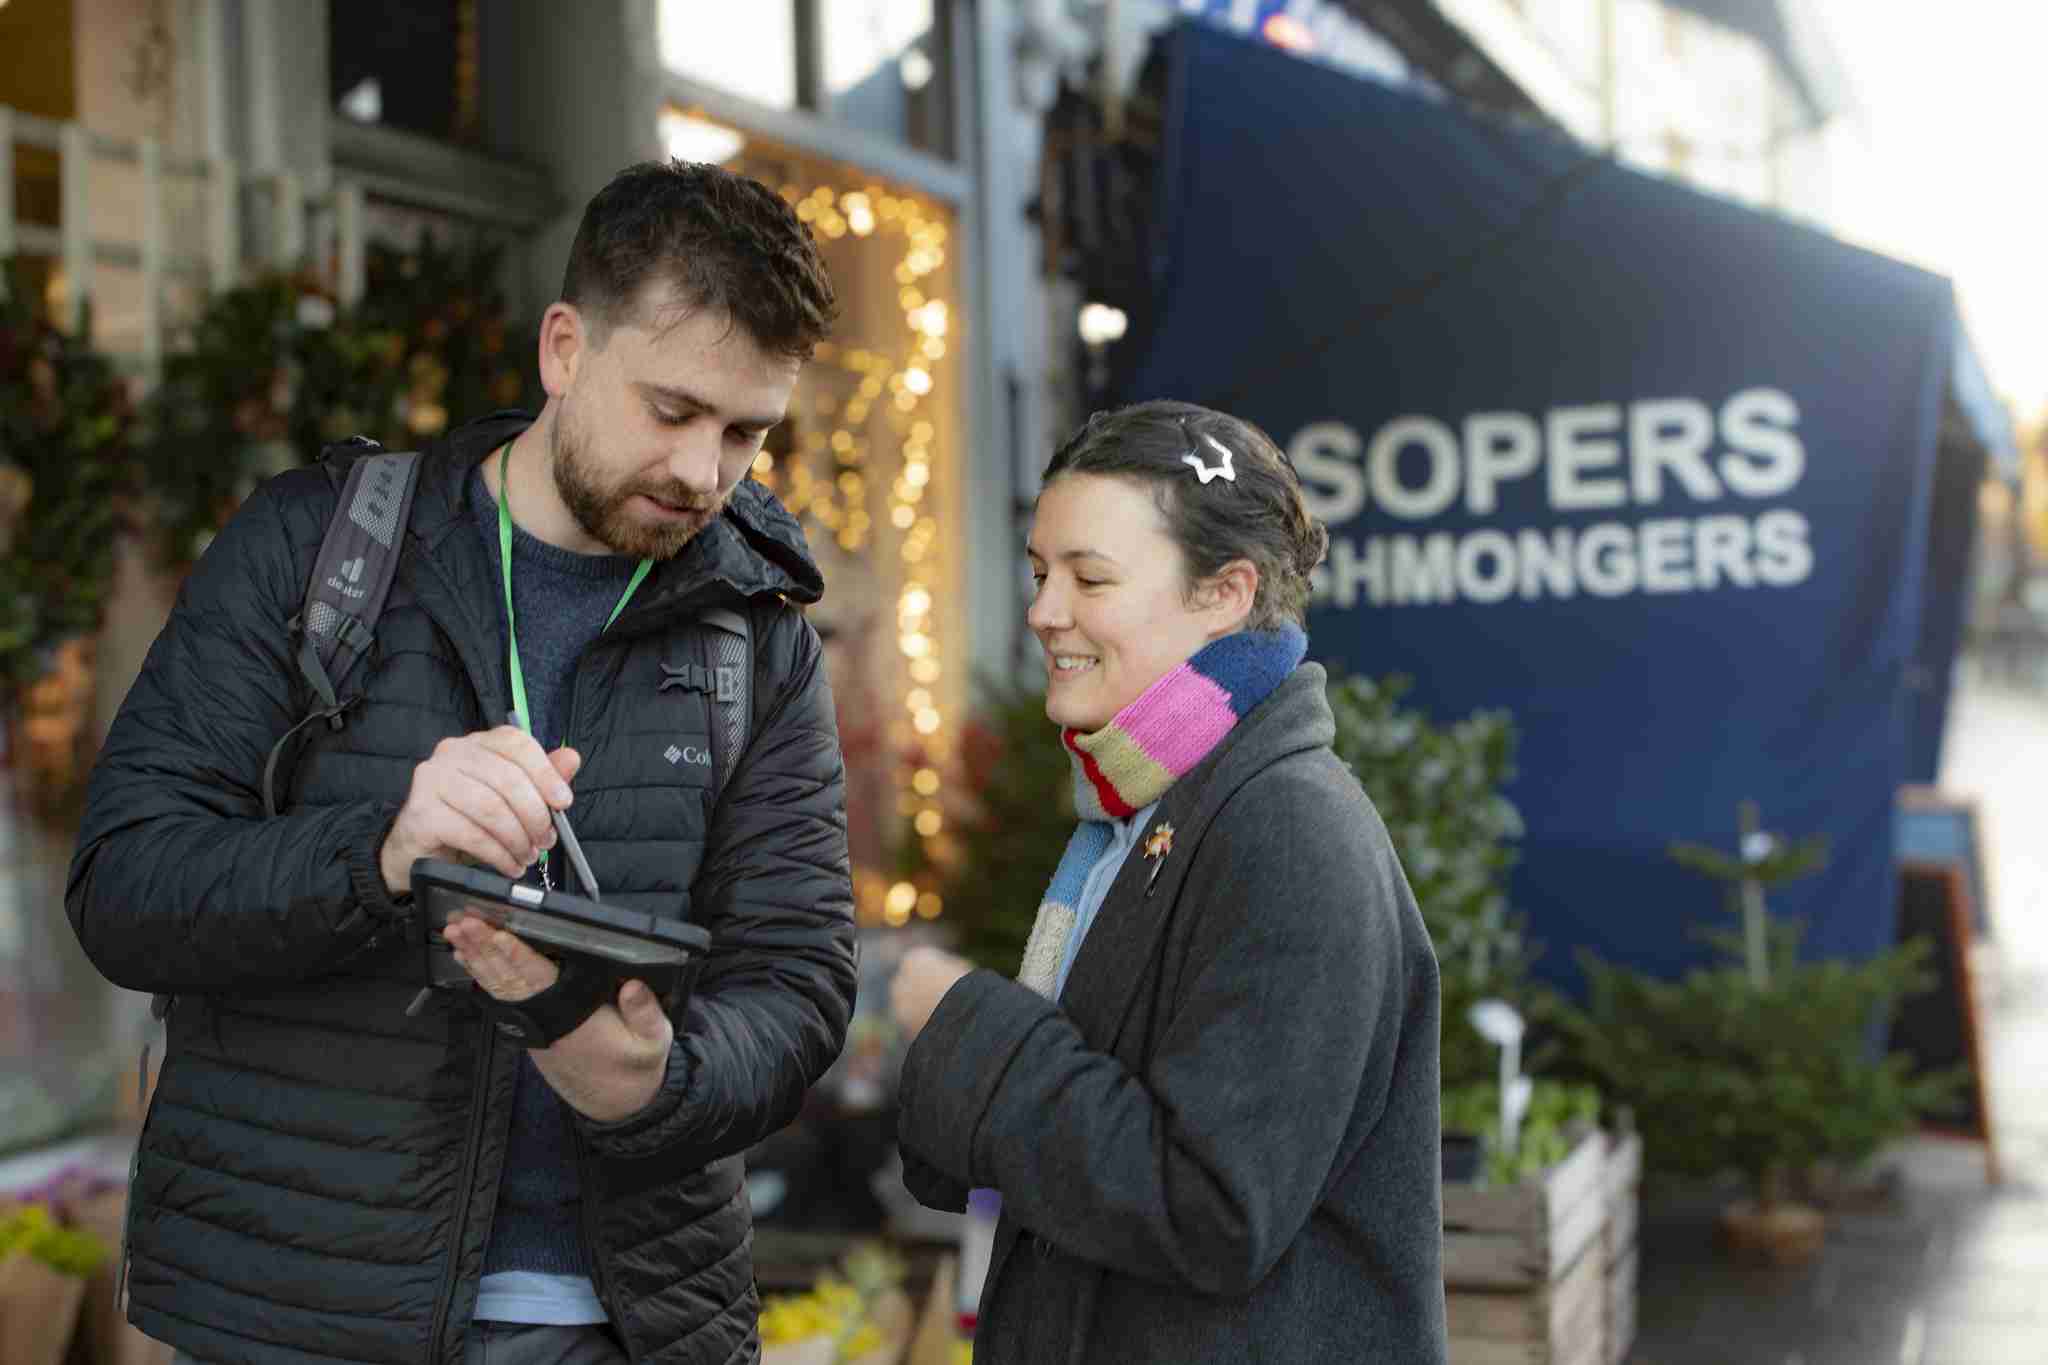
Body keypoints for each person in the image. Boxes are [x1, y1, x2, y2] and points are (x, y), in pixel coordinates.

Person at [66, 160, 858, 1365]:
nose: (704, 474)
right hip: (299, 1321)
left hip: (624, 1323)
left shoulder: (758, 631)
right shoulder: (315, 550)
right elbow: (125, 888)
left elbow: (798, 981)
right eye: (671, 410)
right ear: (562, 349)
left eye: (745, 432)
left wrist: (659, 1080)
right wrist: (378, 854)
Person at [889, 400, 1448, 1363]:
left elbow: (1213, 1206)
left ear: (1225, 593)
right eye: (1038, 571)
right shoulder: (1134, 810)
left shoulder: (1290, 829)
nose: (1043, 611)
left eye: (1089, 577)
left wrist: (967, 1030)